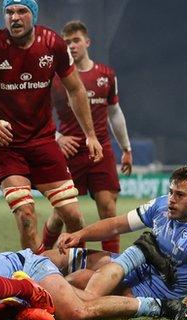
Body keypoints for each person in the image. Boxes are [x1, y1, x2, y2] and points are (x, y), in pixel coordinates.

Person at [0, 0, 103, 253]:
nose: (15, 17)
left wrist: (91, 135)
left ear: (33, 15)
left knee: (75, 219)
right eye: (9, 11)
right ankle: (32, 282)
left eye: (22, 11)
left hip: (43, 143)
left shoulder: (52, 43)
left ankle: (73, 276)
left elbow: (76, 89)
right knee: (26, 216)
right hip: (6, 146)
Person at [57, 166, 187, 318]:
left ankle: (44, 301)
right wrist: (80, 235)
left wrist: (179, 310)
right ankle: (40, 291)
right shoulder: (162, 205)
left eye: (180, 195)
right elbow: (116, 225)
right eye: (171, 192)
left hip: (150, 292)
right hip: (135, 268)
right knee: (57, 258)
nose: (171, 199)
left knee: (78, 281)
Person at [43, 20, 132, 254]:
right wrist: (58, 136)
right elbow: (38, 112)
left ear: (87, 42)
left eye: (76, 40)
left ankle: (113, 262)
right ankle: (41, 252)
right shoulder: (56, 79)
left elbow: (115, 113)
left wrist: (126, 148)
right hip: (70, 152)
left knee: (108, 208)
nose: (72, 46)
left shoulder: (106, 75)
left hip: (100, 149)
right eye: (67, 42)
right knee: (61, 215)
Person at [0, 247, 187, 320]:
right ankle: (136, 256)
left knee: (76, 311)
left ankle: (158, 307)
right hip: (17, 285)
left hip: (26, 269)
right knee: (84, 293)